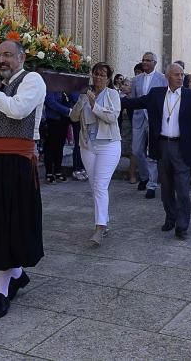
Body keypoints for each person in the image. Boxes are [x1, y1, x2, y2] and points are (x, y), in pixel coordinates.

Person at [0, 40, 45, 320]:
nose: (2, 60)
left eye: (8, 55)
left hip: (16, 162)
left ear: (21, 57)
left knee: (10, 222)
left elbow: (18, 110)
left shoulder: (32, 80)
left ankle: (3, 289)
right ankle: (16, 275)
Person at [121, 63, 191, 240]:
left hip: (181, 147)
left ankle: (182, 225)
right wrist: (113, 98)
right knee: (166, 187)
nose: (180, 77)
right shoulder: (156, 94)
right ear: (168, 76)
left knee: (183, 189)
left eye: (182, 75)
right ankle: (171, 217)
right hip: (162, 146)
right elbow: (135, 103)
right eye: (176, 74)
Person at [70, 62, 121, 246]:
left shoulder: (112, 94)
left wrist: (94, 105)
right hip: (88, 145)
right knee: (95, 186)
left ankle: (99, 228)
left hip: (109, 145)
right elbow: (74, 117)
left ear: (108, 78)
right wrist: (81, 101)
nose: (99, 77)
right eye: (96, 74)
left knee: (100, 185)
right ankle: (105, 221)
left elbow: (112, 117)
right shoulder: (85, 94)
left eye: (103, 75)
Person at [130, 51, 167, 198]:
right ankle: (144, 176)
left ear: (154, 63)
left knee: (152, 153)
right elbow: (133, 99)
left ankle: (152, 184)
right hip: (139, 118)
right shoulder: (136, 79)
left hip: (154, 119)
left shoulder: (162, 79)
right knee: (137, 150)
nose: (145, 62)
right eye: (143, 60)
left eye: (148, 60)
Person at [42, 91, 72, 183]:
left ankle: (58, 170)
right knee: (50, 147)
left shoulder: (64, 89)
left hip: (63, 120)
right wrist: (67, 110)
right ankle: (49, 172)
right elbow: (51, 102)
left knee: (60, 146)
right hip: (53, 120)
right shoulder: (51, 87)